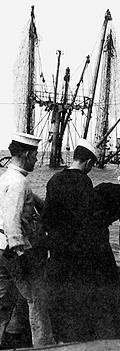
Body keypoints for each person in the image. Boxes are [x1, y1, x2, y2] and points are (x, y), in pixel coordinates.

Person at [42, 138, 115, 342]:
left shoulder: (54, 179)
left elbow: (46, 219)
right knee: (78, 301)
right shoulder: (84, 182)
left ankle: (59, 341)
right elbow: (89, 221)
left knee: (58, 299)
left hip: (56, 252)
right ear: (89, 163)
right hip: (78, 254)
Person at [0, 132, 55, 347]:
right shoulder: (19, 183)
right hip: (14, 250)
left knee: (3, 303)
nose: (36, 159)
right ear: (26, 154)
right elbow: (12, 222)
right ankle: (44, 345)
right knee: (37, 300)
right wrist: (22, 253)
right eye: (35, 155)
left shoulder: (5, 178)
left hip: (1, 250)